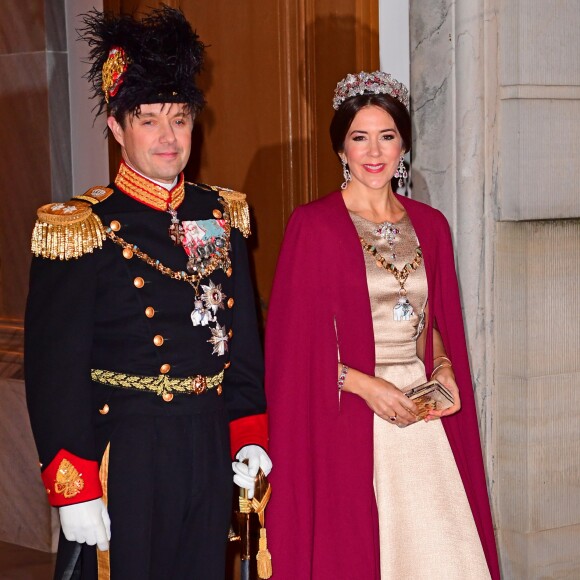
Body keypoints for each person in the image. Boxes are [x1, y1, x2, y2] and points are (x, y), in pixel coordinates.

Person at [24, 7, 271, 579]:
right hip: (128, 452)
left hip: (206, 447)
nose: (167, 137)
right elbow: (54, 369)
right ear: (117, 128)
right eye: (149, 120)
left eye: (180, 119)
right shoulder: (81, 226)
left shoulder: (215, 215)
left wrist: (249, 433)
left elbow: (230, 337)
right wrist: (73, 486)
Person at [265, 72, 500, 579]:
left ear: (404, 145)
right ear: (341, 148)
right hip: (350, 414)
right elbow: (293, 349)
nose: (375, 151)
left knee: (439, 551)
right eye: (360, 137)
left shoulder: (430, 224)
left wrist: (443, 367)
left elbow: (430, 320)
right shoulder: (314, 224)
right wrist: (364, 385)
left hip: (420, 411)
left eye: (387, 136)